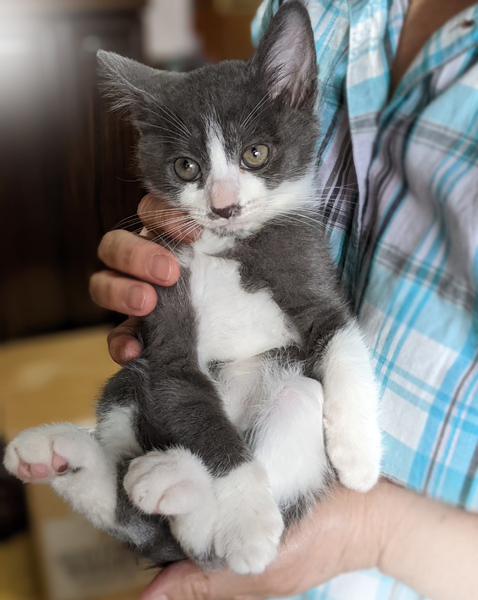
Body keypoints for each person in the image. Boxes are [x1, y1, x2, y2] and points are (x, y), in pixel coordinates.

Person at [89, 0, 478, 598]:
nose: (225, 200)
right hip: (223, 443)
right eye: (192, 169)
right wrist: (175, 263)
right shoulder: (325, 10)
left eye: (252, 156)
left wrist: (369, 532)